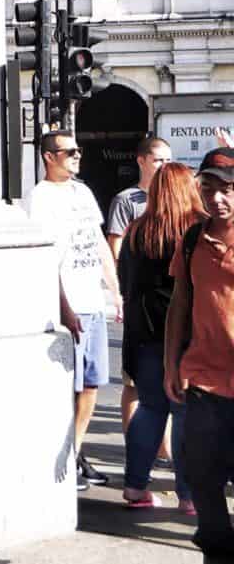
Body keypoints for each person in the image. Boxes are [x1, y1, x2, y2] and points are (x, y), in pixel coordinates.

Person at [26, 130, 122, 491]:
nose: (77, 157)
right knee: (68, 384)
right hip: (68, 305)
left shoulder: (83, 192)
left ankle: (76, 451)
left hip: (93, 301)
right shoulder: (38, 198)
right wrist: (63, 306)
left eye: (78, 151)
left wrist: (115, 290)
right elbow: (43, 258)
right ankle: (64, 453)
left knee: (93, 383)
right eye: (69, 152)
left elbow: (97, 242)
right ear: (49, 157)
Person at [118, 161, 204, 511]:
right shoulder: (198, 229)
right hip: (189, 334)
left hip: (145, 333)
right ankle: (188, 495)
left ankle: (135, 487)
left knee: (151, 408)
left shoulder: (138, 231)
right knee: (186, 414)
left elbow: (127, 283)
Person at [165, 146, 234, 557]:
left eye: (226, 189)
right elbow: (180, 302)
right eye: (208, 189)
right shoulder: (193, 238)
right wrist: (171, 363)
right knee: (203, 482)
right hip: (204, 382)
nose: (217, 198)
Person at [107, 136, 173, 444]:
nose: (164, 166)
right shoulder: (127, 200)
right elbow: (115, 249)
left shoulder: (174, 199)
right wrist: (120, 293)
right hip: (138, 301)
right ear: (142, 161)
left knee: (167, 379)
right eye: (159, 160)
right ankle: (134, 442)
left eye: (168, 160)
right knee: (134, 381)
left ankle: (162, 447)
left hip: (167, 304)